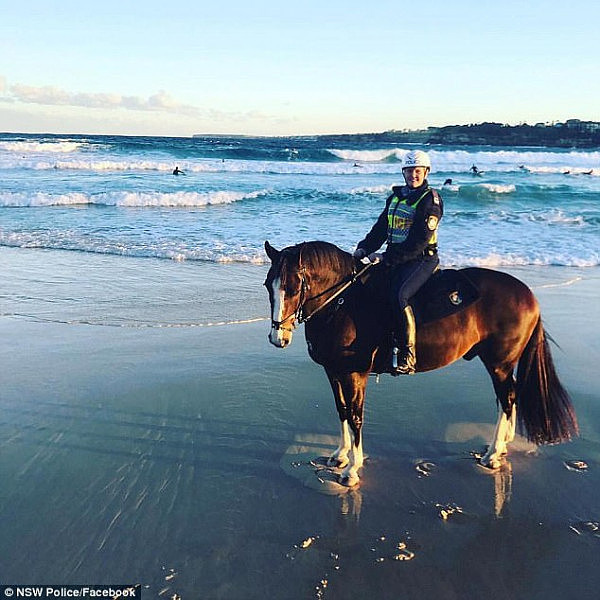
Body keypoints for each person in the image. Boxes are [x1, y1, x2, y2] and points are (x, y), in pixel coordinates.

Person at [353, 150, 443, 375]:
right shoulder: (395, 197)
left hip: (422, 259)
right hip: (396, 258)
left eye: (418, 171)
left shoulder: (430, 200)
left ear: (425, 172)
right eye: (410, 170)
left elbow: (419, 242)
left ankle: (408, 354)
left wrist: (385, 258)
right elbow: (381, 228)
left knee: (399, 295)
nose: (414, 175)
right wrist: (364, 247)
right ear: (403, 172)